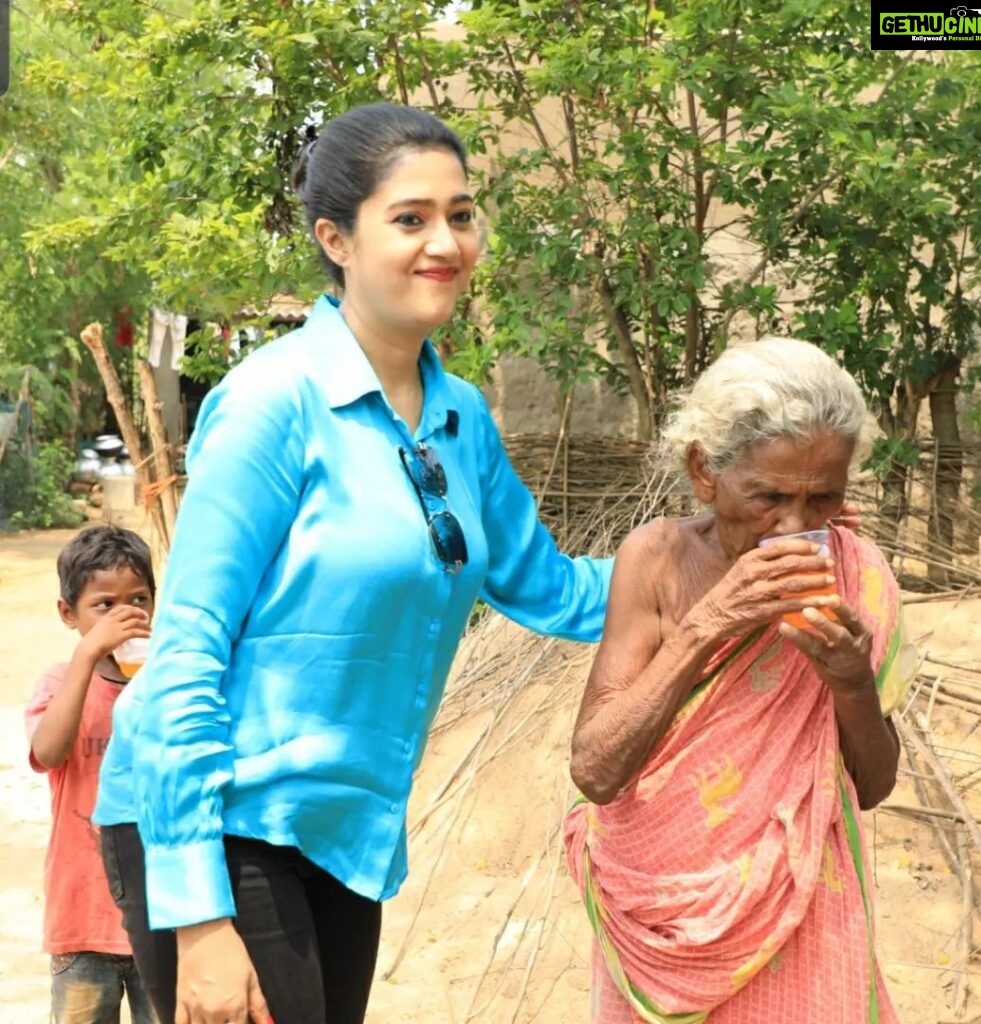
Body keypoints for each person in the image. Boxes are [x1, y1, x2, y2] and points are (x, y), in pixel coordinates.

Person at [92, 103, 613, 1024]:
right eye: (409, 218)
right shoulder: (272, 404)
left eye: (460, 214)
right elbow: (187, 649)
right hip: (217, 815)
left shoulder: (460, 420)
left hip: (343, 832)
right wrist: (198, 914)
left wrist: (713, 555)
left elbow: (554, 589)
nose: (444, 242)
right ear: (336, 237)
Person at [565, 338, 914, 1024]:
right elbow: (595, 769)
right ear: (705, 471)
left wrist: (850, 683)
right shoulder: (659, 560)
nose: (796, 525)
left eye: (823, 499)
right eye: (769, 497)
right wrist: (710, 623)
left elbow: (871, 787)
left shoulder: (855, 571)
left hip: (799, 904)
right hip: (658, 919)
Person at [25, 524, 156, 1024]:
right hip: (81, 920)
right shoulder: (61, 682)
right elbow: (49, 751)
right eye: (104, 605)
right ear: (68, 613)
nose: (125, 615)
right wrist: (87, 655)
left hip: (159, 914)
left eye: (139, 599)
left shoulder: (166, 682)